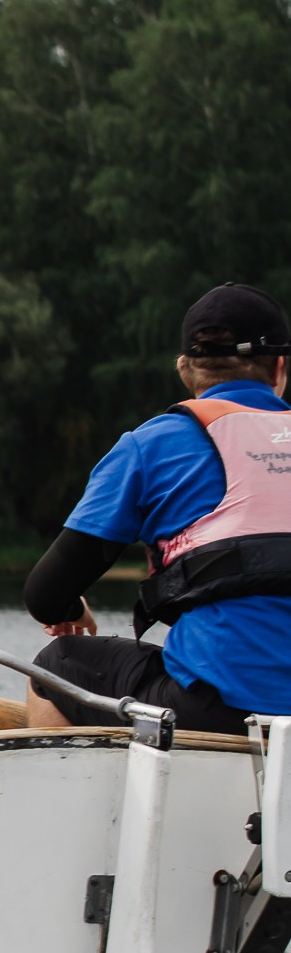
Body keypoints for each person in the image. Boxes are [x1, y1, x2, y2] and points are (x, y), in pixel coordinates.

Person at [24, 283, 291, 732]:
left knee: (55, 668)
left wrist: (69, 612)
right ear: (280, 368)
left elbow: (44, 595)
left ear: (185, 370)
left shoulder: (151, 445)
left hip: (216, 710)